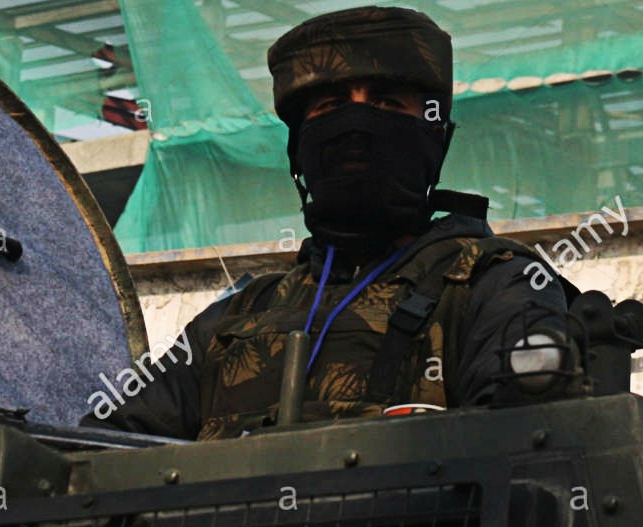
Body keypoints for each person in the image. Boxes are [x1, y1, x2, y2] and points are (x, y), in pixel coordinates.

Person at [80, 5, 578, 441]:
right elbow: (102, 453)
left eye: (386, 104)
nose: (358, 125)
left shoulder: (494, 284)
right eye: (332, 106)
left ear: (434, 140)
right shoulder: (233, 321)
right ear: (300, 148)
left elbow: (525, 454)